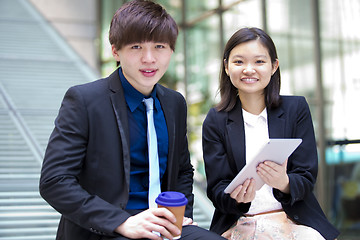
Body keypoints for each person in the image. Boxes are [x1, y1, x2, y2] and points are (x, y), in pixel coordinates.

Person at [39, 1, 225, 239]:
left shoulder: (174, 102)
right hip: (108, 229)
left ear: (171, 50)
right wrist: (122, 222)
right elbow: (55, 181)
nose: (149, 59)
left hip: (164, 224)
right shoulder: (84, 100)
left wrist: (180, 215)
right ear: (115, 51)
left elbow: (181, 170)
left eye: (159, 46)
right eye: (136, 47)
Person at [202, 27, 340, 240]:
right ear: (226, 67)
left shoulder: (296, 109)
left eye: (259, 61)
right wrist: (238, 198)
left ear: (274, 66)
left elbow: (307, 175)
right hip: (240, 221)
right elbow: (217, 190)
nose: (249, 69)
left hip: (294, 220)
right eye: (239, 62)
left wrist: (283, 182)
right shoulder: (216, 120)